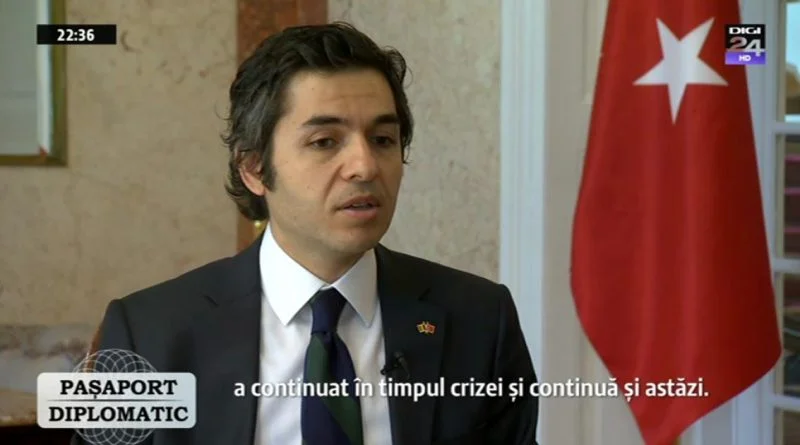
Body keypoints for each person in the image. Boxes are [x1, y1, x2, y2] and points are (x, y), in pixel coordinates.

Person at [76, 22, 539, 445]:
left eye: (382, 140)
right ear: (255, 168)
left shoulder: (479, 320)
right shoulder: (149, 332)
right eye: (324, 142)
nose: (364, 166)